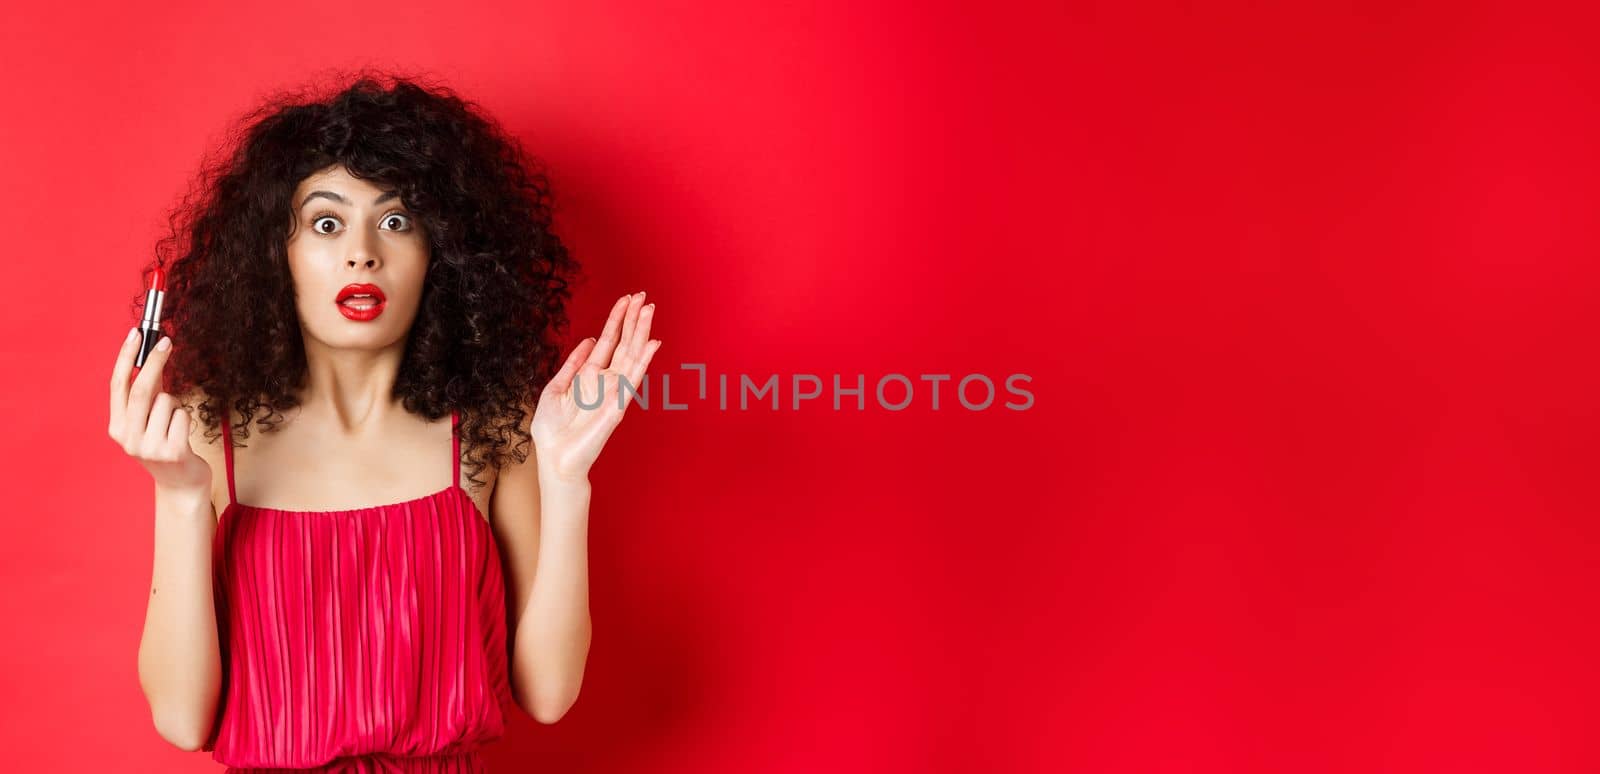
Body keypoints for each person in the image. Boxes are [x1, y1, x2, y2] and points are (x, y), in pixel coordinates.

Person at [106, 72, 661, 772]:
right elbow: (184, 721)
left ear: (443, 253)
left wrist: (567, 478)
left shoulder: (492, 425)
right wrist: (181, 497)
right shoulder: (205, 430)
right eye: (327, 223)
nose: (362, 251)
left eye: (397, 221)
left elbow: (548, 695)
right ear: (276, 252)